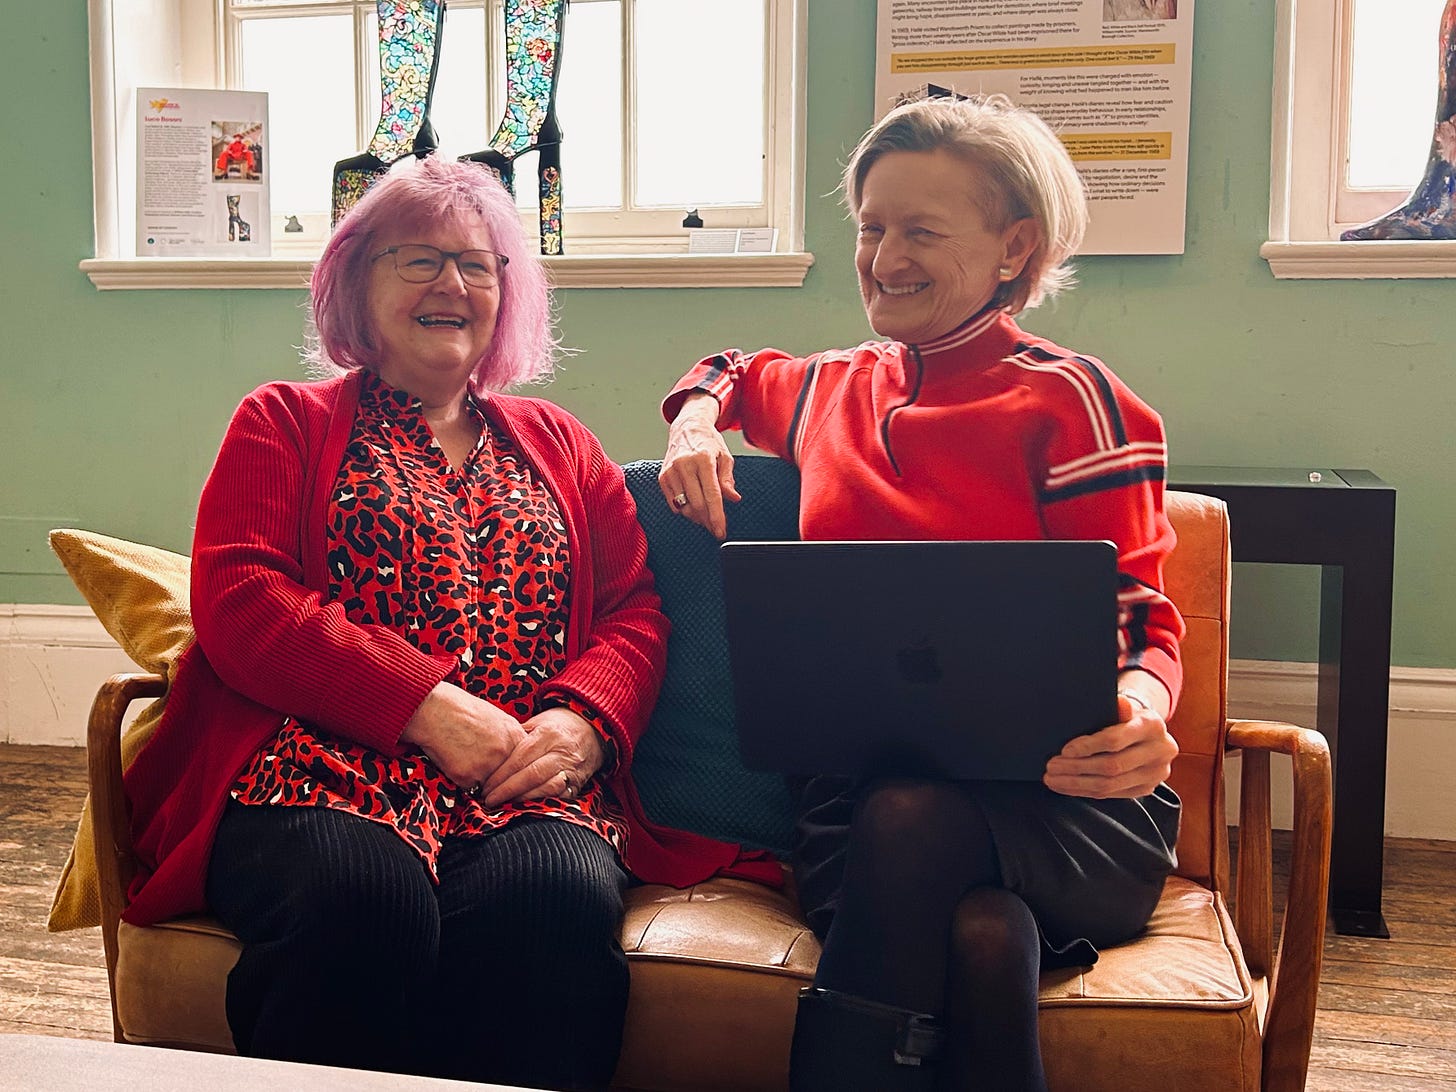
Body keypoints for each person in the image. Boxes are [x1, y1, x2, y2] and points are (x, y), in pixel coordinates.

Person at [120, 155, 774, 1091]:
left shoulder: (561, 443)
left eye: (479, 264)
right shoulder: (282, 422)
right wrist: (427, 707)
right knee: (362, 899)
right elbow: (243, 601)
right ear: (355, 280)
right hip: (316, 767)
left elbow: (633, 612)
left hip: (521, 779)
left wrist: (584, 719)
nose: (452, 285)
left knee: (553, 902)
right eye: (417, 259)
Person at [658, 94, 1185, 1092]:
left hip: (1063, 809)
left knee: (917, 829)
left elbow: (1139, 617)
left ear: (1013, 249)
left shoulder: (1077, 401)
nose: (883, 253)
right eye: (870, 227)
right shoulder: (824, 390)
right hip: (853, 817)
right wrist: (693, 420)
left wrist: (1142, 710)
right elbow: (727, 367)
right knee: (982, 932)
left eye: (920, 230)